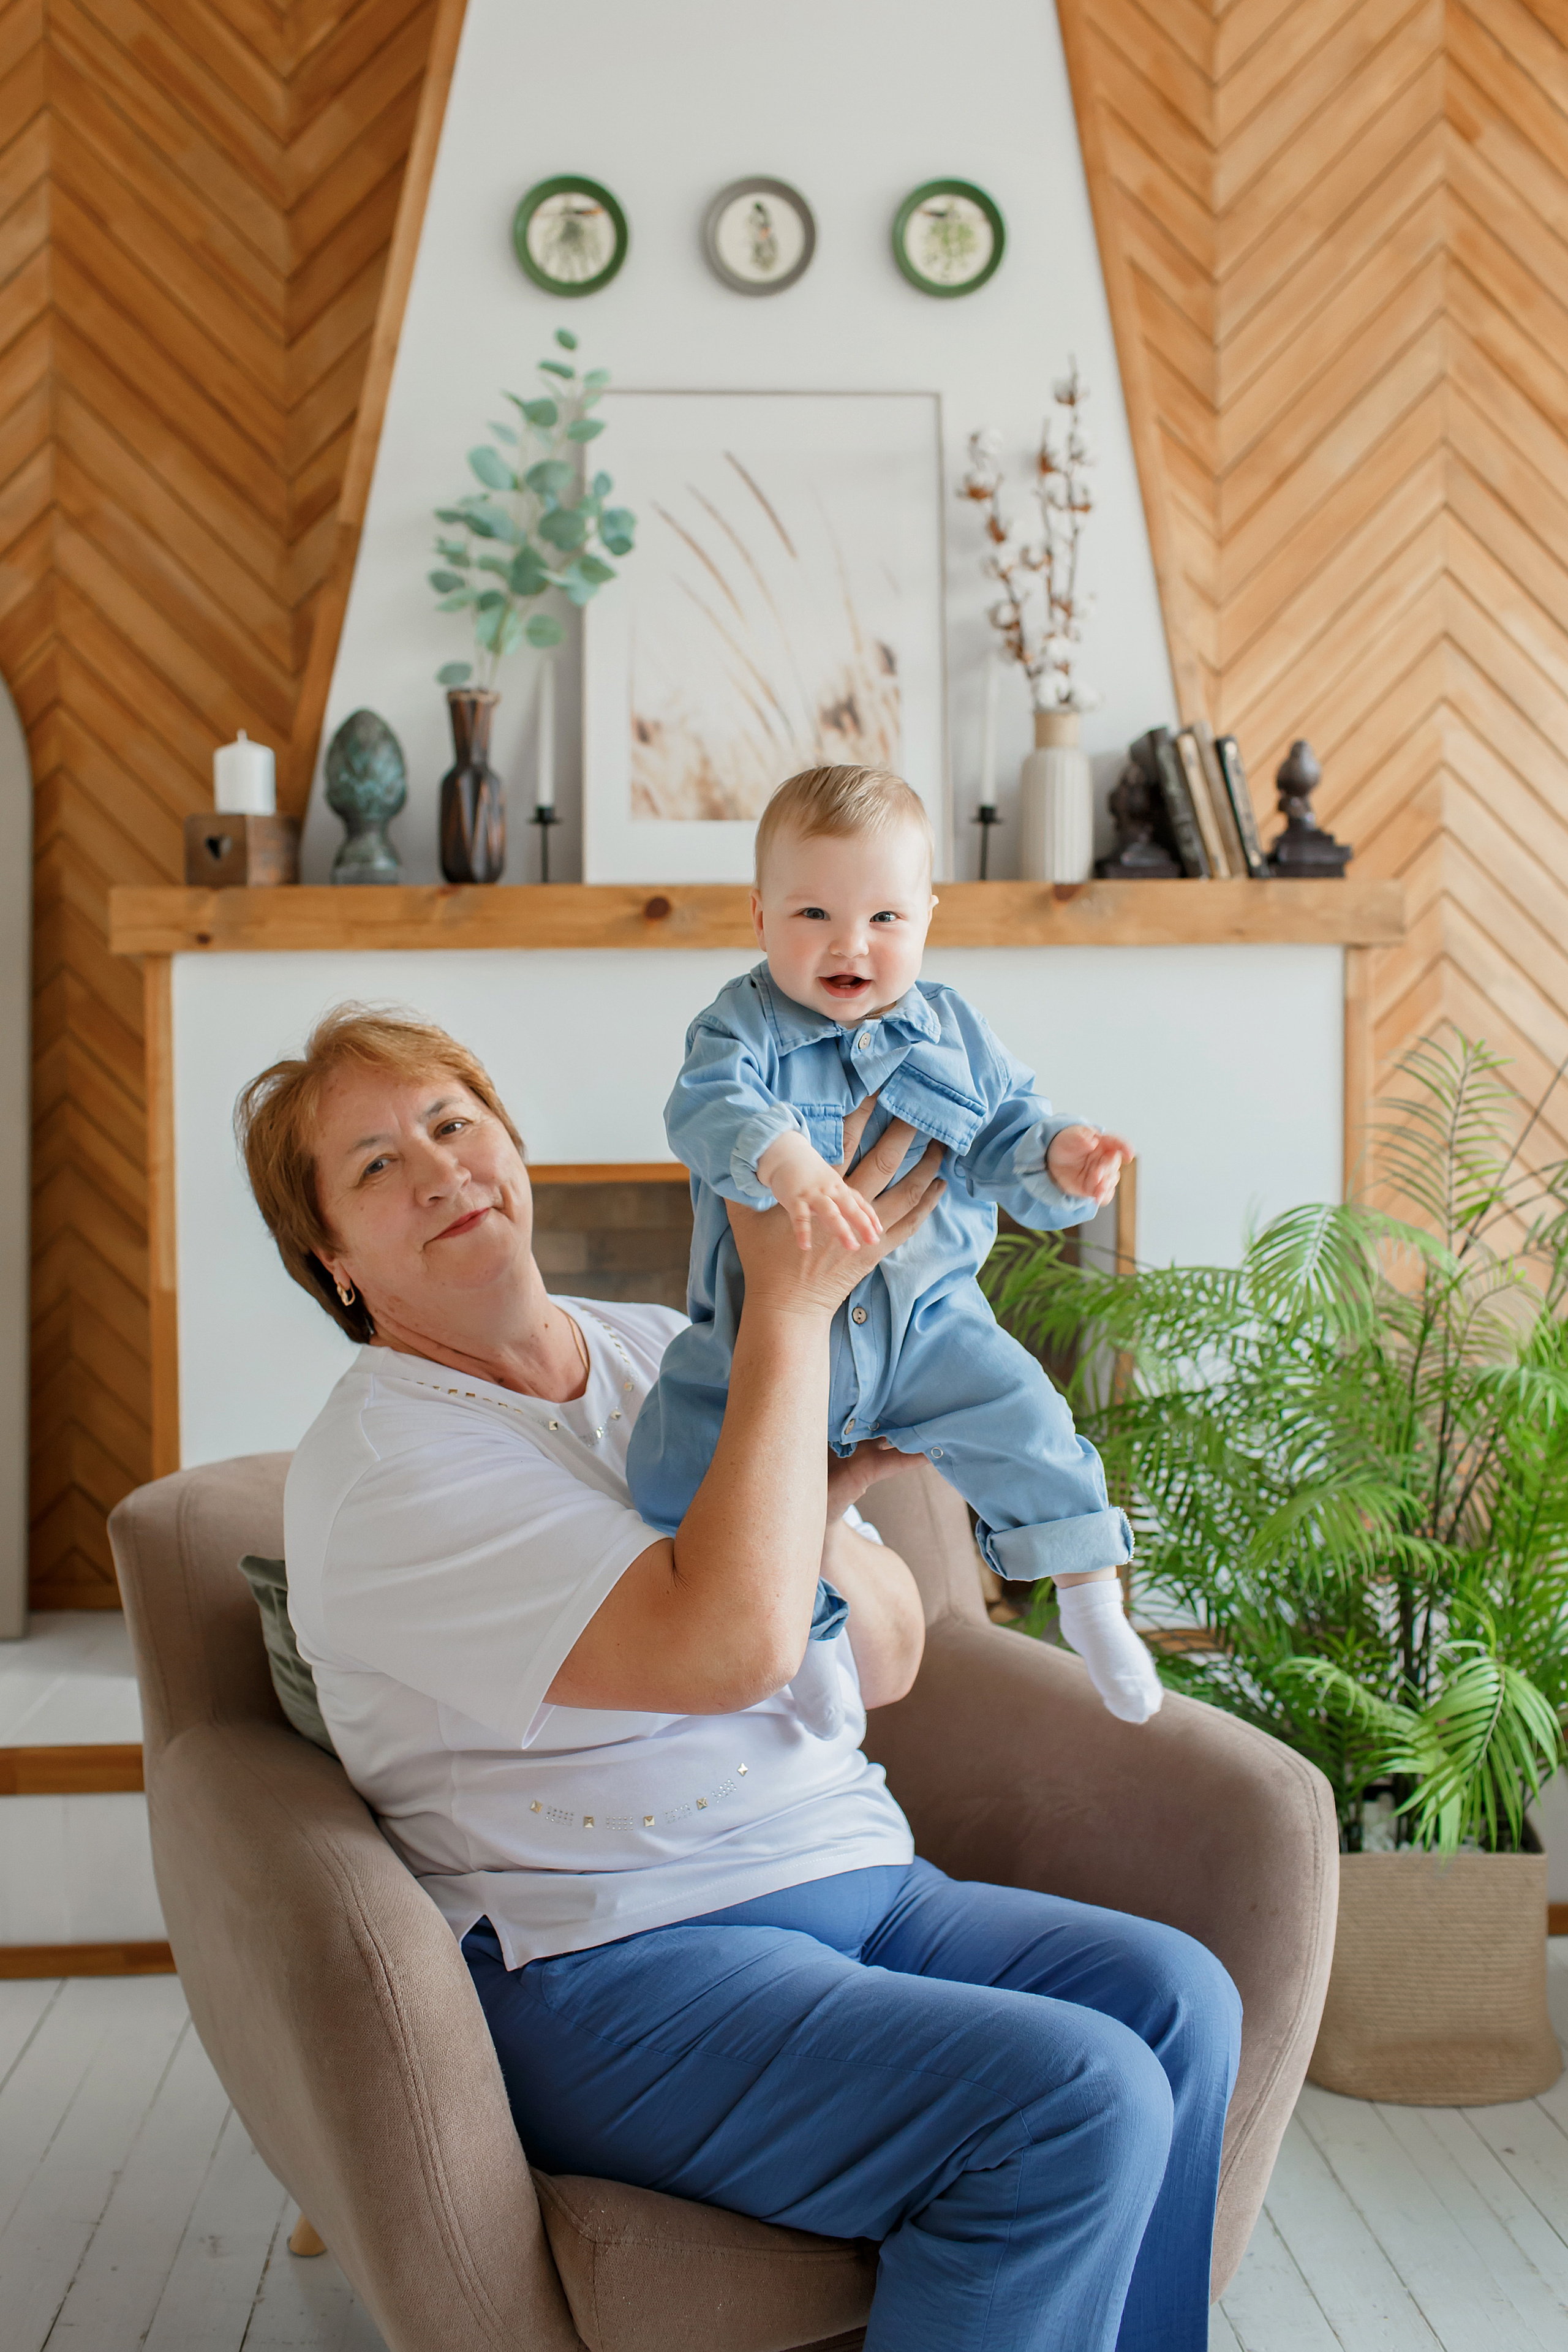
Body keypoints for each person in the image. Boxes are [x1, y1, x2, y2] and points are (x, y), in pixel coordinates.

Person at [237, 1005, 1240, 2352]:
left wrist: (807, 1512)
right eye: (373, 1166)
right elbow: (731, 1650)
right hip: (615, 1963)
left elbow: (885, 1657)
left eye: (451, 1123)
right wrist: (792, 1309)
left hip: (856, 1881)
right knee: (1073, 2096)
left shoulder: (667, 1349)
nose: (436, 1171)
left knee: (1175, 2002)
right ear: (333, 1262)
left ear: (511, 1146)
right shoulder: (383, 1470)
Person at [627, 761, 1162, 1725]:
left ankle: (1090, 1598)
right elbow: (707, 1107)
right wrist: (788, 1164)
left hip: (930, 1327)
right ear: (758, 919)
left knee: (1030, 1419)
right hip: (767, 1347)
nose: (849, 945)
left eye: (883, 919)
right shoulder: (739, 1025)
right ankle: (814, 1641)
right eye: (813, 916)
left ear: (926, 918)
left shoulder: (952, 1030)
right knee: (694, 1480)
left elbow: (1006, 1134)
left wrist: (1063, 1157)